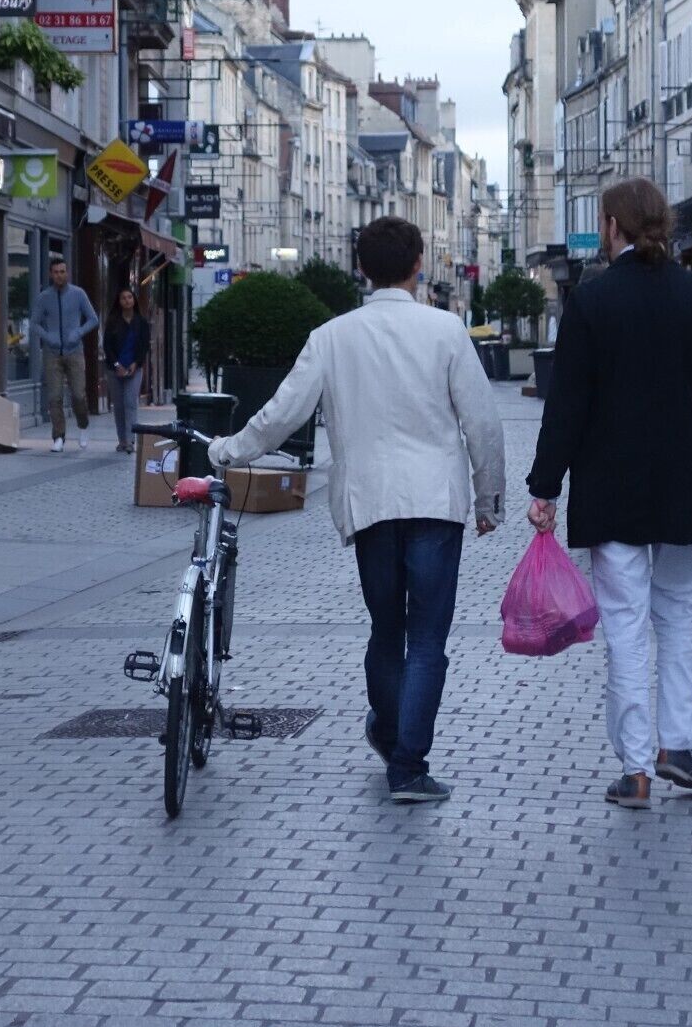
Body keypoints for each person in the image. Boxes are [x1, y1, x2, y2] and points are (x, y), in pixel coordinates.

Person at [210, 217, 505, 805]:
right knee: (427, 640)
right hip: (436, 502)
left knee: (385, 630)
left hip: (370, 503)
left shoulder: (332, 336)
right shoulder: (446, 330)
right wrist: (489, 498)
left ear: (362, 268)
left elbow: (281, 414)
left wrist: (227, 451)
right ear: (419, 264)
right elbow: (482, 421)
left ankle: (390, 733)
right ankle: (408, 766)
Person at [527, 179, 692, 809]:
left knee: (625, 628)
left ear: (612, 226)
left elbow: (566, 405)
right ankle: (679, 744)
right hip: (686, 483)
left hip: (613, 488)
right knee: (680, 618)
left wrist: (545, 488)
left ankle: (636, 770)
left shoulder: (592, 301)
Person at [28, 256, 98, 453]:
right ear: (51, 274)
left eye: (62, 271)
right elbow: (34, 323)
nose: (59, 275)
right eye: (56, 272)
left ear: (67, 273)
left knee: (78, 394)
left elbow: (93, 319)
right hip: (52, 353)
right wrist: (48, 336)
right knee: (54, 396)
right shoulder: (44, 297)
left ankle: (83, 426)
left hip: (74, 351)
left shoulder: (78, 294)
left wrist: (78, 332)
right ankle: (58, 436)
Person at [103, 287, 151, 454]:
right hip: (114, 369)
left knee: (130, 403)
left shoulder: (141, 323)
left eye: (129, 297)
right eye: (123, 298)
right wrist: (117, 365)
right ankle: (122, 440)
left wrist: (135, 363)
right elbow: (107, 346)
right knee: (118, 405)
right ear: (119, 301)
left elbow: (144, 346)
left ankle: (130, 440)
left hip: (134, 369)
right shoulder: (112, 322)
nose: (127, 300)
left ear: (134, 300)